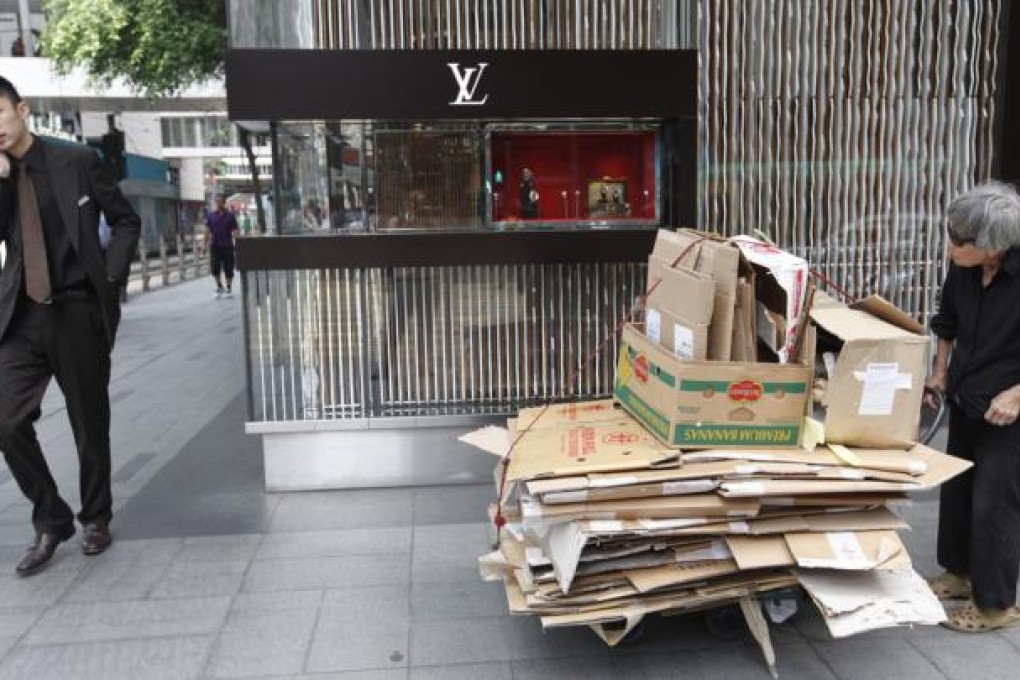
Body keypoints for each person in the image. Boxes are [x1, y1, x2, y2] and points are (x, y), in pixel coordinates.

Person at [0, 76, 141, 576]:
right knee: (7, 421)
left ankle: (95, 517)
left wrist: (111, 276)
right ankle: (51, 517)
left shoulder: (76, 162)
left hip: (76, 310)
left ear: (22, 109)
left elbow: (126, 220)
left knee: (89, 422)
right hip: (20, 316)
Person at [926, 181, 1020, 632]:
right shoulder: (964, 267)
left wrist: (1017, 393)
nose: (950, 248)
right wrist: (940, 369)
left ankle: (996, 606)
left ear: (992, 246)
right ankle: (959, 573)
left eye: (959, 241)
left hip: (1009, 408)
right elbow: (947, 321)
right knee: (957, 489)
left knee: (994, 504)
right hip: (966, 392)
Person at [205, 195, 239, 298]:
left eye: (220, 201)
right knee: (215, 267)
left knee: (228, 267)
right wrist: (204, 244)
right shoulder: (211, 215)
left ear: (224, 202)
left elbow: (235, 230)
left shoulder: (230, 216)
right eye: (217, 202)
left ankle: (228, 288)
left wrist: (237, 240)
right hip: (214, 245)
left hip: (227, 245)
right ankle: (219, 286)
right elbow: (207, 231)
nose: (219, 204)